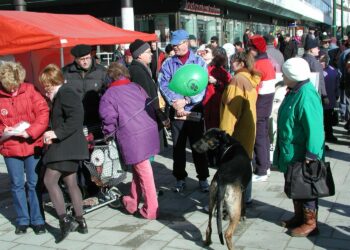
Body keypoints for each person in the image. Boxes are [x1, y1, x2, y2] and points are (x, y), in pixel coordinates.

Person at [99, 62, 160, 220]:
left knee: (144, 172)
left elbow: (108, 118)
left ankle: (151, 209)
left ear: (109, 78)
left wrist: (108, 134)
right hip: (149, 131)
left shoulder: (109, 95)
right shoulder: (136, 87)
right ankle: (132, 202)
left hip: (133, 136)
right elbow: (150, 104)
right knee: (138, 170)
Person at [273, 57, 325, 237]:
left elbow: (315, 129)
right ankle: (299, 216)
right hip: (291, 151)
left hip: (303, 153)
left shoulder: (306, 95)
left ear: (292, 76)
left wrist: (312, 154)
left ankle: (310, 223)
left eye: (285, 74)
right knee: (296, 185)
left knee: (307, 189)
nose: (282, 76)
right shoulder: (295, 90)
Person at [39, 64, 89, 243]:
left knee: (49, 180)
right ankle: (80, 221)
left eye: (46, 84)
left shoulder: (65, 92)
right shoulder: (63, 92)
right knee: (71, 182)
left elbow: (76, 116)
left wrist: (56, 133)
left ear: (53, 81)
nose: (45, 88)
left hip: (66, 146)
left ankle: (64, 221)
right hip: (72, 147)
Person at [0, 62, 49, 235]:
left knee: (34, 183)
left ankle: (37, 220)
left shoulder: (29, 90)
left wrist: (30, 132)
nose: (13, 90)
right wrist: (3, 130)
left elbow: (43, 113)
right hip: (10, 146)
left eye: (15, 86)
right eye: (9, 87)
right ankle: (22, 220)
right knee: (17, 184)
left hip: (32, 143)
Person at [158, 29, 210, 193]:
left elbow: (202, 85)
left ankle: (203, 178)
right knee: (178, 147)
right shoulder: (168, 63)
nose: (175, 48)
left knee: (199, 146)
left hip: (194, 110)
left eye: (177, 45)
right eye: (173, 45)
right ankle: (180, 178)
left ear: (186, 43)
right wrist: (175, 103)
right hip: (177, 112)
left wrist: (186, 100)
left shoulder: (199, 62)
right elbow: (163, 83)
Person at [62, 44, 107, 196]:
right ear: (75, 59)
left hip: (95, 121)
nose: (86, 62)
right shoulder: (66, 72)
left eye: (88, 58)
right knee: (79, 157)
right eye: (82, 59)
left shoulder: (101, 71)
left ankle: (96, 188)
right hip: (76, 123)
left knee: (96, 156)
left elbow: (107, 94)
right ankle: (81, 189)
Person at [128, 39, 169, 152]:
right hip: (146, 119)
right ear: (140, 55)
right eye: (148, 51)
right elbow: (146, 99)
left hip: (149, 117)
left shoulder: (142, 69)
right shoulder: (137, 71)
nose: (151, 54)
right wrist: (160, 115)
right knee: (147, 153)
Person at [220, 51, 261, 161]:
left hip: (237, 134)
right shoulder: (249, 78)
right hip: (247, 130)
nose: (230, 64)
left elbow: (231, 112)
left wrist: (224, 135)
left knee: (234, 169)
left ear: (242, 64)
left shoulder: (237, 80)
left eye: (232, 62)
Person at [248, 35, 276, 183]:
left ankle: (261, 169)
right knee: (263, 136)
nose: (249, 51)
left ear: (255, 49)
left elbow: (254, 88)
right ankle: (266, 166)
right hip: (267, 102)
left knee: (259, 137)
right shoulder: (267, 61)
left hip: (260, 103)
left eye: (250, 48)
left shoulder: (258, 64)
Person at [202, 45, 231, 129]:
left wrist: (216, 82)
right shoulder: (206, 69)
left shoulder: (224, 73)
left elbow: (228, 88)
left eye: (207, 52)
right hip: (207, 105)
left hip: (217, 106)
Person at [319, 51, 340, 143]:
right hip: (325, 100)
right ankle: (327, 135)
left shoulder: (331, 71)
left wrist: (336, 96)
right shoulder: (333, 71)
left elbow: (336, 85)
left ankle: (328, 135)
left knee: (326, 120)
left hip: (326, 100)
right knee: (325, 120)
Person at [302, 37, 329, 104]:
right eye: (317, 48)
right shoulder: (315, 63)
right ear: (311, 50)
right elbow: (320, 80)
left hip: (303, 93)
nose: (319, 50)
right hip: (314, 93)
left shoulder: (301, 60)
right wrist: (324, 95)